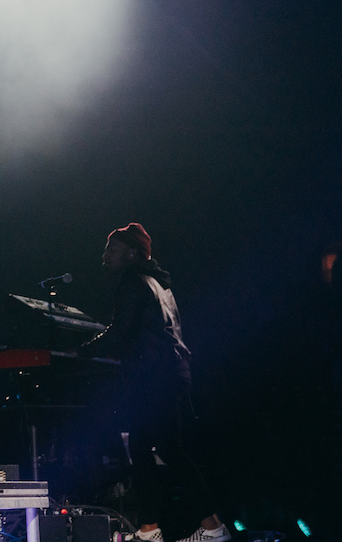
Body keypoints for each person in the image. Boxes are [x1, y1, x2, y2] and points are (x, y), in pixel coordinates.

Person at [80, 223, 229, 542]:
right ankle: (153, 528)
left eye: (112, 250)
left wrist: (79, 351)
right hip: (170, 375)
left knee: (163, 451)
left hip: (154, 379)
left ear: (132, 253)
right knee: (149, 449)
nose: (105, 256)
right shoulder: (158, 283)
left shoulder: (132, 282)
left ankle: (211, 528)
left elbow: (122, 331)